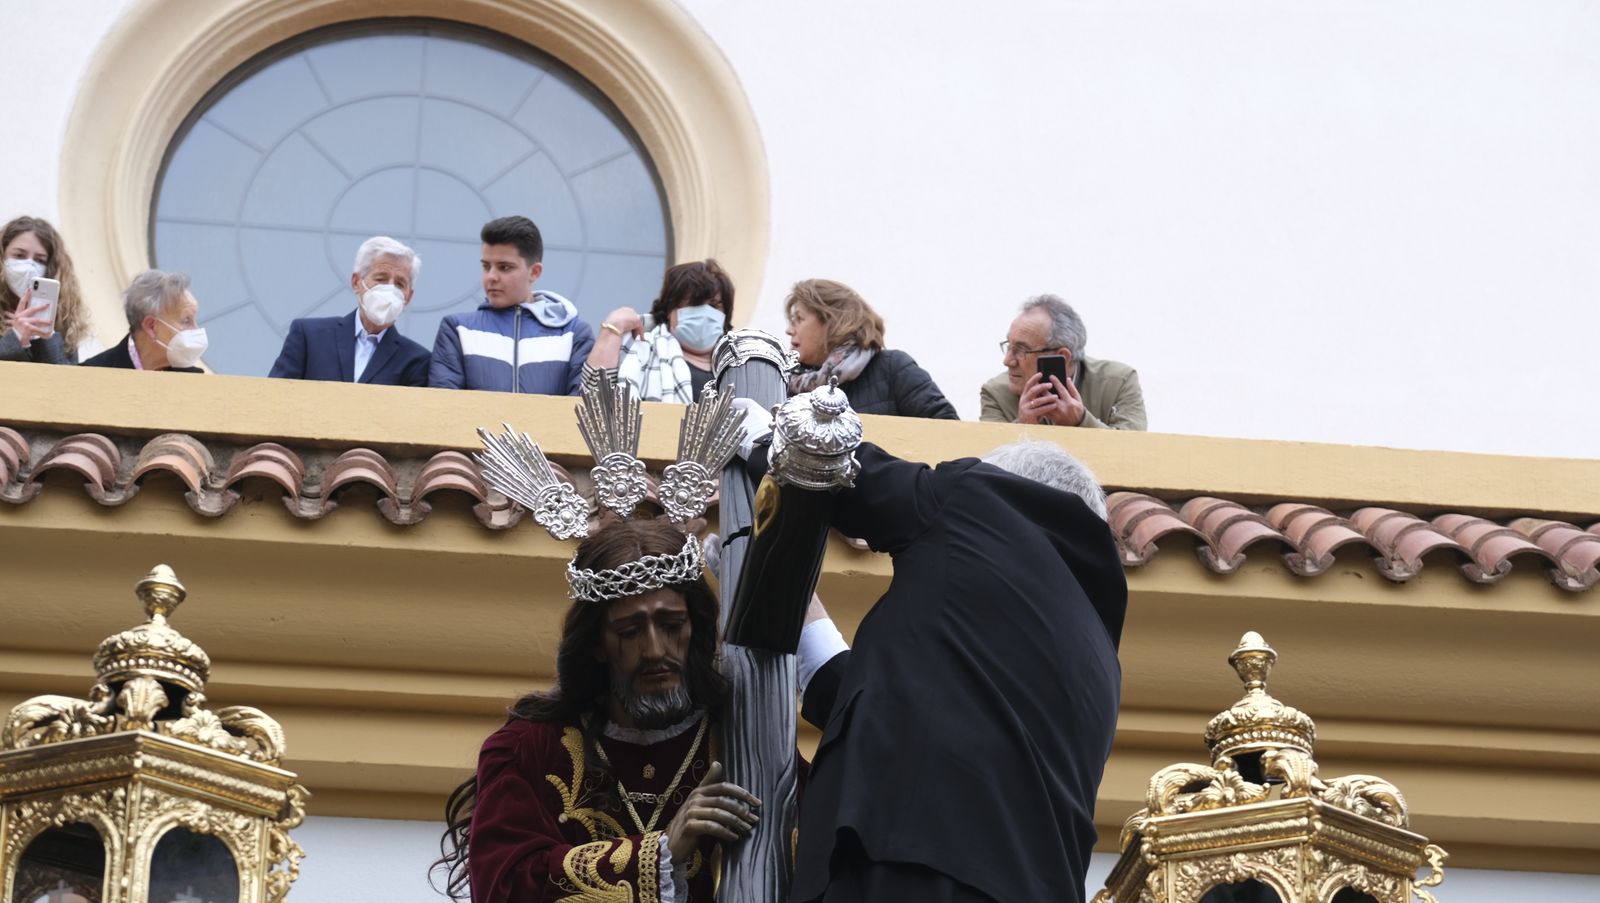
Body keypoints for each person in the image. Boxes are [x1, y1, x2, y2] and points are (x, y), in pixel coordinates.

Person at [771, 437, 1128, 903]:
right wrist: (793, 604)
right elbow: (905, 712)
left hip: (913, 875)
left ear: (1001, 485)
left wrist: (759, 423)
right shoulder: (1098, 655)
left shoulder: (978, 503)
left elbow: (834, 462)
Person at [437, 518, 764, 902]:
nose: (656, 650)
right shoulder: (529, 751)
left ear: (695, 627)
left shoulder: (745, 738)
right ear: (596, 643)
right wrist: (660, 852)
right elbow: (503, 885)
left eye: (672, 624)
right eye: (630, 632)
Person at [429, 216, 593, 394]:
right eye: (486, 266)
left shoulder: (574, 333)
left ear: (535, 272)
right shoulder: (457, 329)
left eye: (504, 267)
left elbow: (581, 412)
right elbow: (444, 411)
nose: (491, 276)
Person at [267, 236, 430, 386]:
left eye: (400, 284)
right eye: (381, 279)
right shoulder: (309, 336)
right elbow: (274, 396)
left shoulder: (417, 361)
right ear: (356, 282)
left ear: (408, 297)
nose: (389, 289)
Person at [784, 278, 957, 419]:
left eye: (799, 319)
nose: (789, 330)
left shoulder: (892, 368)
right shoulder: (786, 385)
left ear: (834, 322)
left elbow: (949, 434)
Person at [980, 294, 1147, 430]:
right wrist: (1023, 428)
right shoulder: (995, 393)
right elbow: (986, 462)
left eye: (1022, 350)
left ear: (1062, 356)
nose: (1007, 361)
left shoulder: (1119, 382)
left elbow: (1134, 451)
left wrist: (1081, 422)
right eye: (1009, 346)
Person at [587, 260, 734, 402]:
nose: (705, 313)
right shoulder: (637, 350)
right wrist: (612, 328)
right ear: (670, 309)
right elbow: (593, 399)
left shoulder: (739, 366)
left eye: (714, 307)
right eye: (694, 304)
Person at [0, 216, 93, 364]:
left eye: (39, 260)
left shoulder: (63, 321)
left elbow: (65, 380)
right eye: (19, 255)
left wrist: (41, 336)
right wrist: (16, 337)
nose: (30, 265)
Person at [80, 270, 206, 372]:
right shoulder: (91, 374)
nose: (195, 329)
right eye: (186, 320)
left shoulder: (193, 379)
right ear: (151, 327)